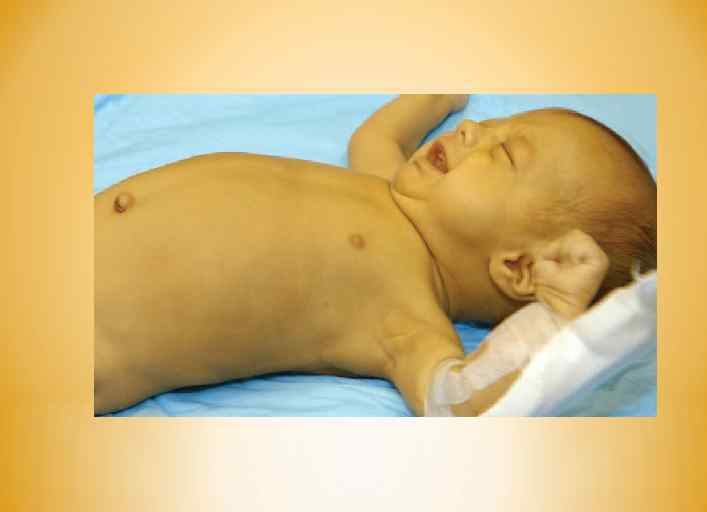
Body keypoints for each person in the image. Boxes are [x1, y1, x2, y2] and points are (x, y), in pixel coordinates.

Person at [94, 95, 656, 416]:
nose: (470, 130)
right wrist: (436, 94)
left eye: (504, 152)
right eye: (488, 123)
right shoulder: (390, 186)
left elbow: (456, 401)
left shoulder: (407, 315)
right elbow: (375, 138)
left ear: (519, 268)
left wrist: (553, 318)